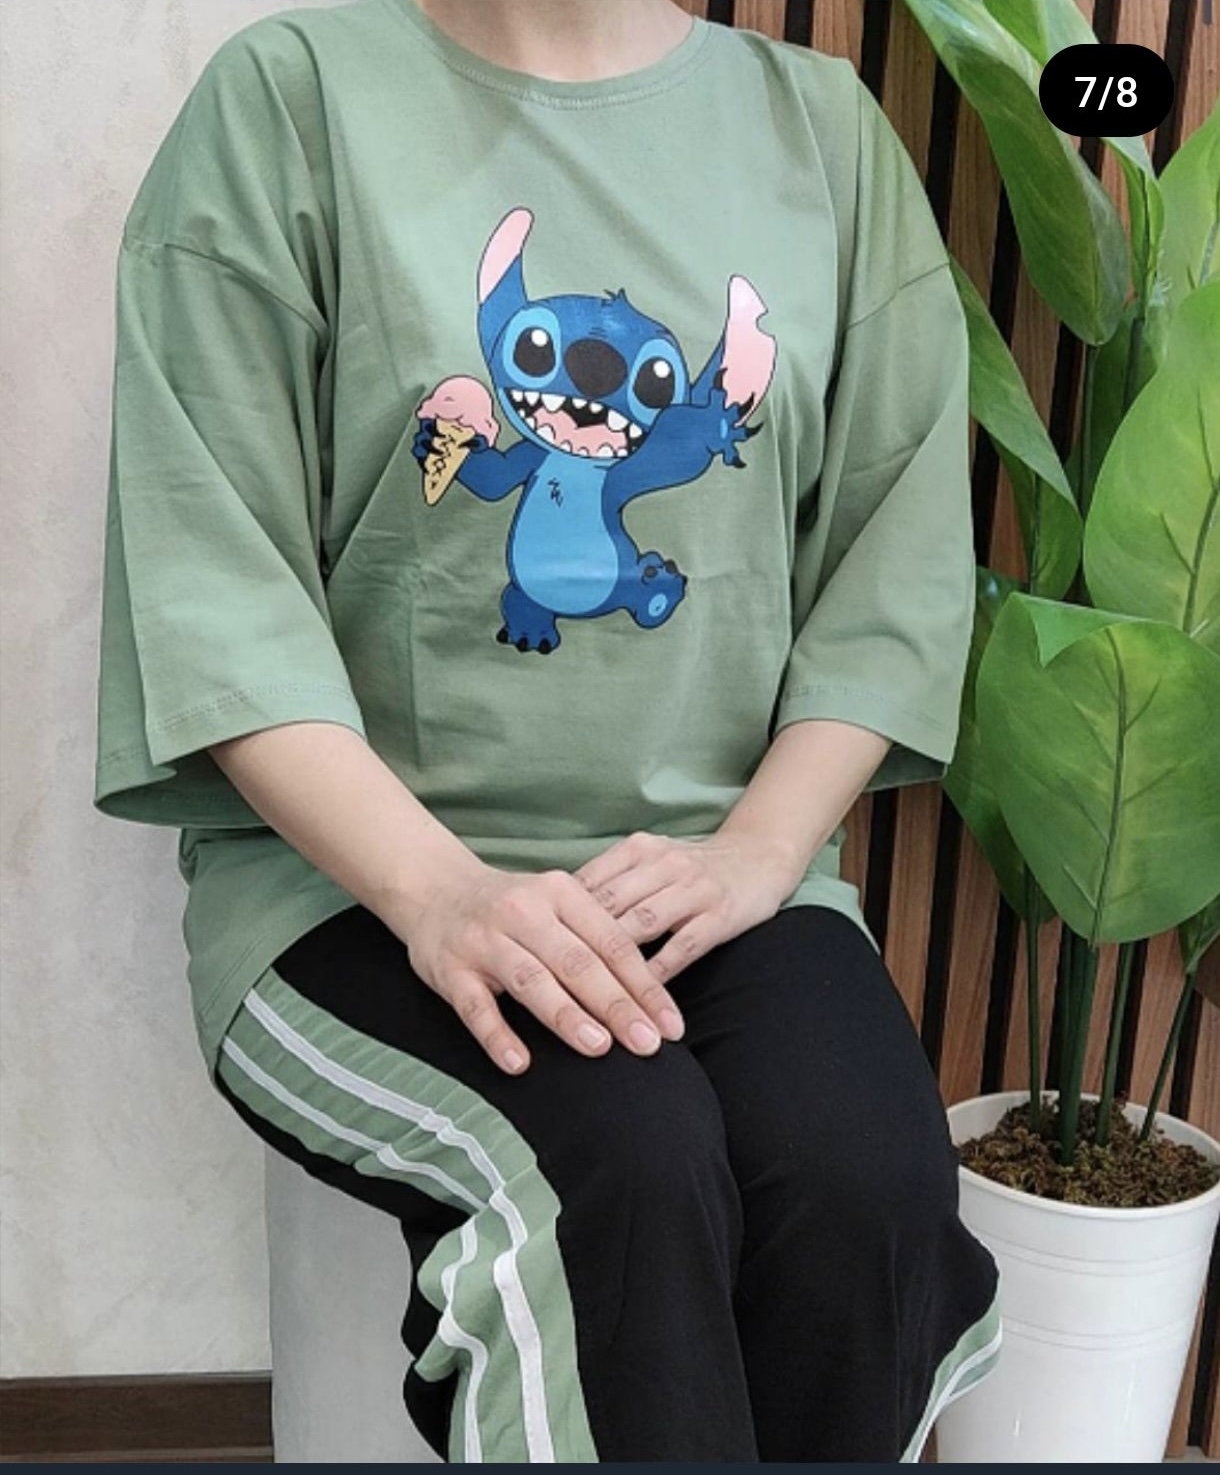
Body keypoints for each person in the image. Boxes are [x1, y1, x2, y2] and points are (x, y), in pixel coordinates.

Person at [94, 0, 1001, 1460]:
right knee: (618, 1174)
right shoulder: (290, 101)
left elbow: (893, 567)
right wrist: (440, 894)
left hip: (714, 873)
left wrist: (759, 853)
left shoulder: (826, 135)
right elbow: (218, 587)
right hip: (348, 886)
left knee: (864, 1187)